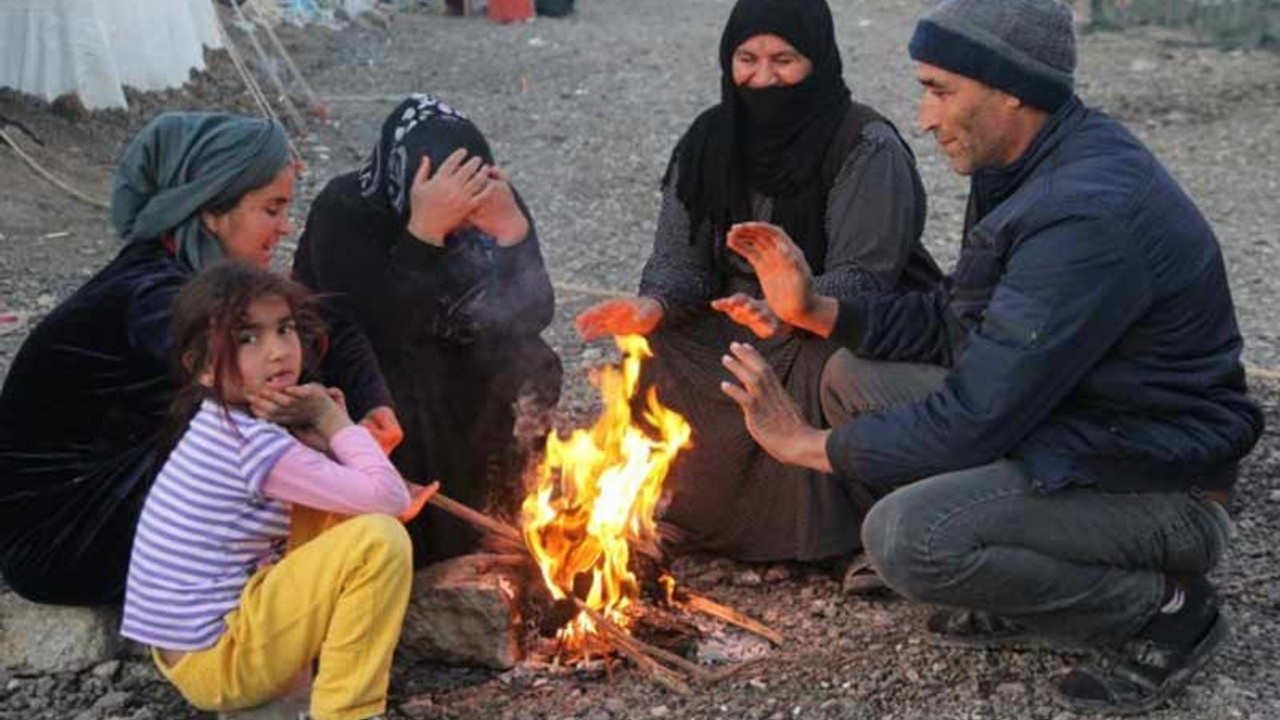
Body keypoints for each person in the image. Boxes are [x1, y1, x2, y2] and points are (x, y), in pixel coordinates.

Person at [715, 0, 1263, 713]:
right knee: (850, 375)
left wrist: (804, 444)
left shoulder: (1083, 213)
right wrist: (817, 311)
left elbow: (976, 417)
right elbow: (959, 319)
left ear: (1012, 88)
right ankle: (1020, 570)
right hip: (1082, 427)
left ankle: (1164, 609)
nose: (923, 119)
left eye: (941, 90)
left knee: (908, 538)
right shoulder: (1031, 160)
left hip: (1159, 484)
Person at [575, 0, 941, 564]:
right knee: (659, 352)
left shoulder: (865, 145)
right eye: (747, 58)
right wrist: (652, 305)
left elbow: (866, 277)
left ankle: (835, 537)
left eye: (784, 60)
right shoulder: (708, 140)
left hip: (835, 314)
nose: (763, 78)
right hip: (736, 315)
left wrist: (795, 304)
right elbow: (683, 263)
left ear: (817, 60)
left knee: (818, 364)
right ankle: (686, 514)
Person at [0, 113, 300, 605]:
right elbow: (250, 385)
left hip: (97, 500)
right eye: (272, 209)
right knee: (243, 434)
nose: (284, 227)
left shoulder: (182, 274)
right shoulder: (153, 295)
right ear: (210, 211)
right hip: (56, 539)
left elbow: (322, 328)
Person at [122, 261, 429, 720]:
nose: (278, 352)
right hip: (218, 662)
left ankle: (288, 693)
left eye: (284, 330)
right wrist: (333, 421)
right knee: (379, 543)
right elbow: (389, 500)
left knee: (341, 510)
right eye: (247, 338)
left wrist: (328, 442)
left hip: (199, 653)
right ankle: (348, 712)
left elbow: (354, 494)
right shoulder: (252, 444)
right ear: (202, 367)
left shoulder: (229, 422)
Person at [292, 94, 562, 564]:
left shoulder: (489, 193)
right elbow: (379, 334)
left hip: (451, 352)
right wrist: (424, 235)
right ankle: (426, 545)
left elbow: (532, 313)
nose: (465, 212)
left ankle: (510, 502)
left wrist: (513, 233)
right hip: (372, 378)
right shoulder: (346, 212)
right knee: (410, 392)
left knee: (535, 363)